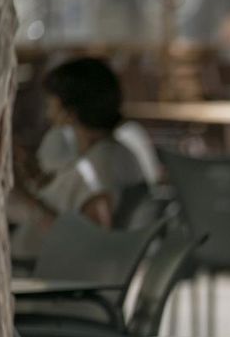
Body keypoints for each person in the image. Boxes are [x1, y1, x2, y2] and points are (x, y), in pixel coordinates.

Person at [9, 57, 147, 257]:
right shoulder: (116, 153)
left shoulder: (100, 166)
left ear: (70, 112)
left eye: (51, 104)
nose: (48, 113)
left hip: (46, 271)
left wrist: (27, 200)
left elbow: (91, 239)